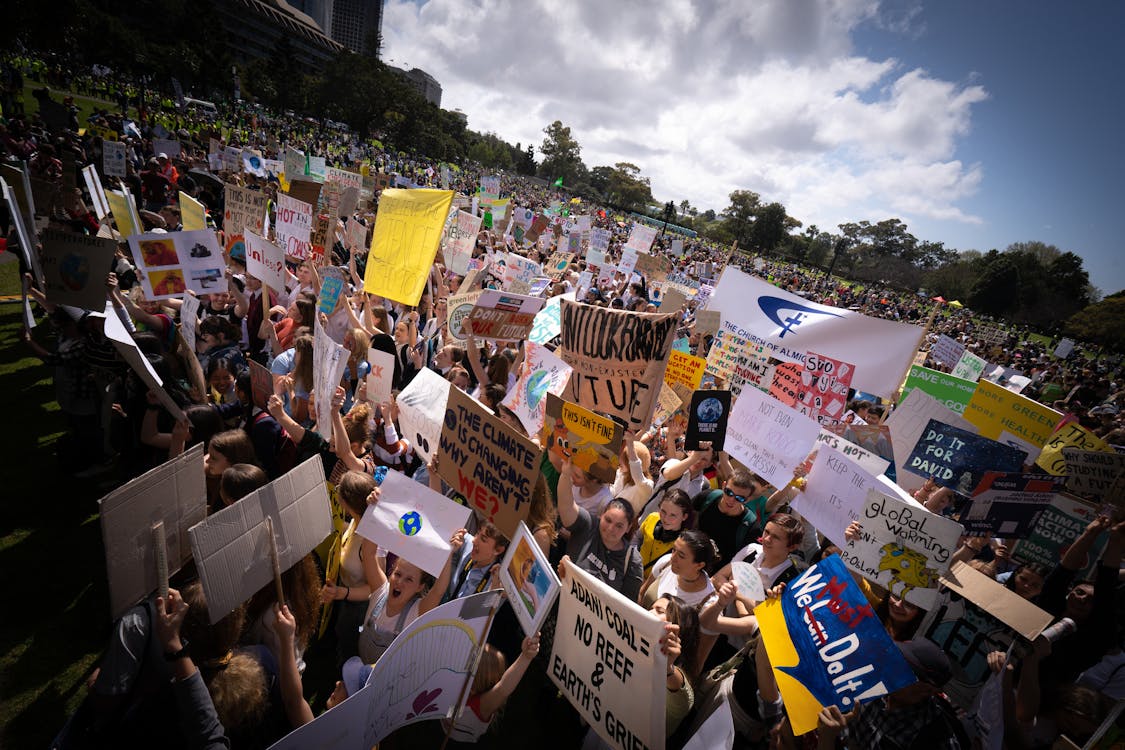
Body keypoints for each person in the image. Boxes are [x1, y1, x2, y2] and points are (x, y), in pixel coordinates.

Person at [556, 459, 643, 600]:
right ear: (601, 515)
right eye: (608, 520)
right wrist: (566, 474)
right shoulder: (588, 525)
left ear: (628, 529)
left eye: (619, 526)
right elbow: (566, 507)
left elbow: (626, 606)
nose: (610, 528)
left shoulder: (632, 561)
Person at [638, 529, 720, 609]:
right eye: (673, 550)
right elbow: (642, 593)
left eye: (681, 556)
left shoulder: (708, 599)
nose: (672, 557)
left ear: (699, 565)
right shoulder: (666, 563)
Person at [444, 522, 509, 602]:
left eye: (483, 539)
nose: (474, 541)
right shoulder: (466, 543)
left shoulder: (498, 580)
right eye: (477, 533)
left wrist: (494, 592)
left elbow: (487, 612)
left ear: (498, 550)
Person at [636, 489, 694, 577]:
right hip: (634, 572)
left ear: (684, 517)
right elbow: (636, 538)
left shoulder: (684, 543)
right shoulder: (652, 517)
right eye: (663, 511)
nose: (666, 519)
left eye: (673, 515)